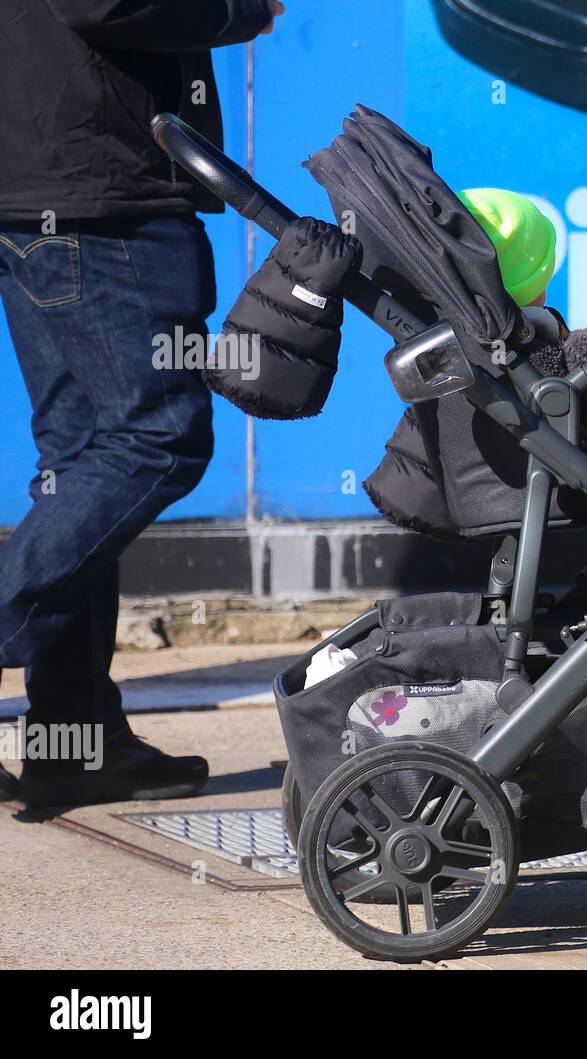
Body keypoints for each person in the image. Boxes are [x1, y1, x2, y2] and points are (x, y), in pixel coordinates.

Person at [0, 0, 284, 807]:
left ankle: (76, 738)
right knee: (155, 438)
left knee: (83, 457)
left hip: (47, 186)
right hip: (99, 196)